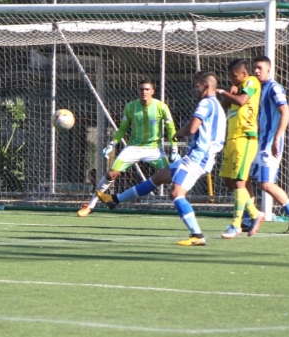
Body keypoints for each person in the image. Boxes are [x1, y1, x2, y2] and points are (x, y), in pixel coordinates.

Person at [97, 72, 226, 246]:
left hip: (198, 157)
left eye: (197, 85)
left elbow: (193, 126)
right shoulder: (217, 104)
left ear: (206, 86)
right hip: (199, 156)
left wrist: (179, 134)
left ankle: (197, 235)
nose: (194, 88)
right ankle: (114, 200)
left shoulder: (205, 103)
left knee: (176, 193)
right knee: (157, 178)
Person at [77, 79, 178, 217]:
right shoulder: (130, 107)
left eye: (147, 89)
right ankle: (90, 205)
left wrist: (174, 147)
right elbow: (122, 129)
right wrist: (112, 144)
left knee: (172, 177)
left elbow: (171, 128)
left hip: (154, 149)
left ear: (153, 91)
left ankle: (181, 206)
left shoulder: (161, 107)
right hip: (133, 147)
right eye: (142, 89)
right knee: (111, 174)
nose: (144, 92)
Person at [245, 56, 289, 234]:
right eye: (254, 68)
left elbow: (285, 112)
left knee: (266, 184)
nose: (256, 71)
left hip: (269, 144)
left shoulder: (274, 88)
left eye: (260, 68)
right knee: (243, 178)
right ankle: (250, 217)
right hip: (258, 142)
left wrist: (278, 137)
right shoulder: (256, 88)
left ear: (269, 70)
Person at [217, 59, 264, 239]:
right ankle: (254, 214)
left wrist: (222, 91)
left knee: (239, 181)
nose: (232, 79)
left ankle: (236, 224)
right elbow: (224, 107)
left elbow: (243, 101)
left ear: (244, 74)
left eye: (234, 75)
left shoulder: (251, 81)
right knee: (229, 181)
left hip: (246, 138)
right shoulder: (236, 89)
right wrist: (226, 95)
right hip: (231, 140)